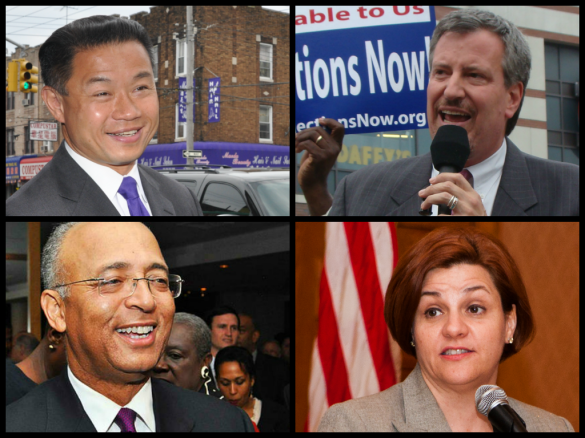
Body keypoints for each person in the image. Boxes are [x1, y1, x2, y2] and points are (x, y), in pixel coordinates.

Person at [296, 9, 578, 216]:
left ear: (512, 98)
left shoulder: (570, 192)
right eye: (441, 72)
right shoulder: (359, 190)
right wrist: (315, 188)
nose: (452, 90)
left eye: (474, 75)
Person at [317, 227, 574, 432]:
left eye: (474, 308)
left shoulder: (553, 428)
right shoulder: (353, 425)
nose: (453, 328)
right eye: (433, 311)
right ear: (411, 330)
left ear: (509, 324)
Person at [6, 223, 254, 432]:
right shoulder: (19, 424)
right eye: (113, 281)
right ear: (58, 310)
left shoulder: (226, 423)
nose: (146, 300)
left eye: (158, 280)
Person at [6, 16, 202, 216]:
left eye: (140, 87)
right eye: (102, 93)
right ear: (56, 104)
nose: (129, 112)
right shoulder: (23, 212)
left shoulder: (182, 199)